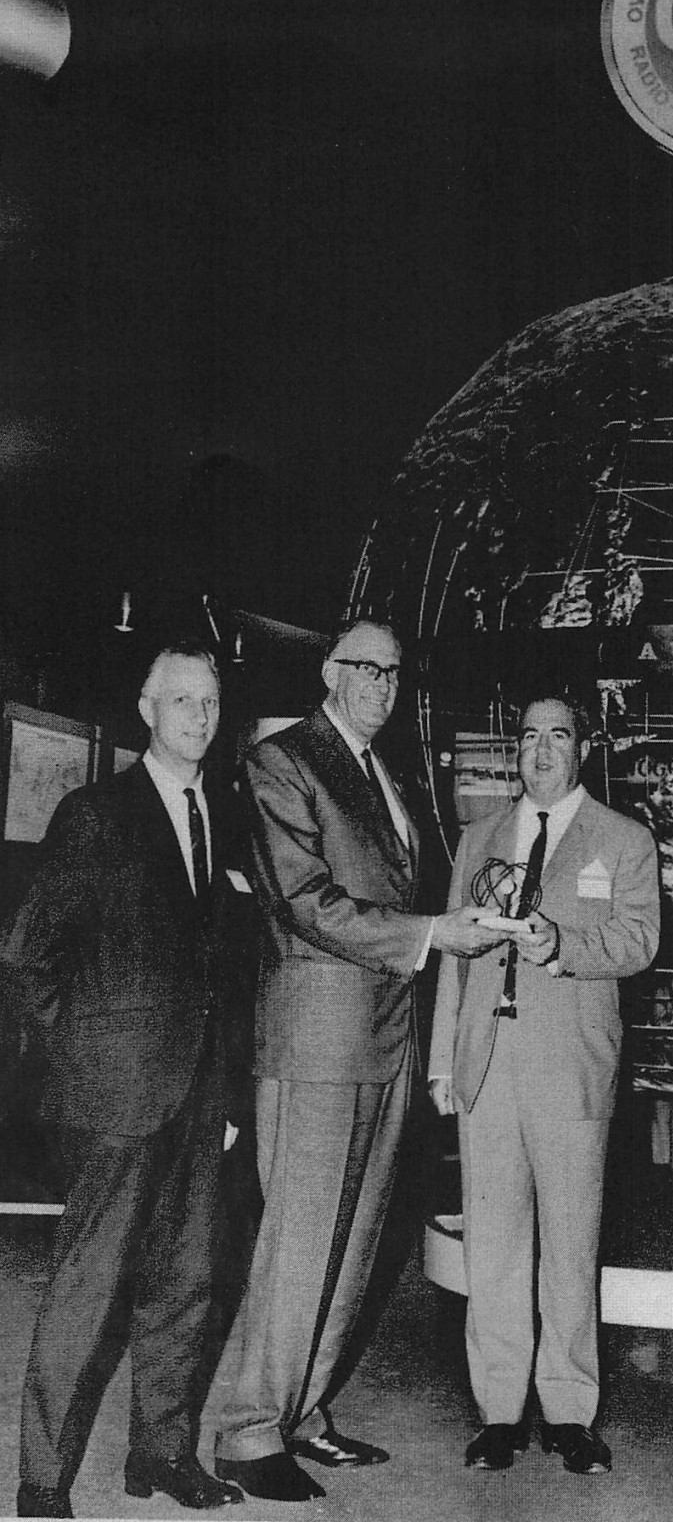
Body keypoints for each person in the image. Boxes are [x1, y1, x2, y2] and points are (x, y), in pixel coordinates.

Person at [214, 621, 504, 1502]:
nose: (384, 685)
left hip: (383, 1036)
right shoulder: (282, 762)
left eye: (394, 672)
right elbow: (304, 901)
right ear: (330, 673)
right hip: (315, 1037)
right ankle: (245, 1430)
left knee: (356, 1241)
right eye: (367, 669)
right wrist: (431, 934)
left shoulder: (385, 772)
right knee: (300, 1240)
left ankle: (301, 1410)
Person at [2, 643, 247, 1519]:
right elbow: (30, 956)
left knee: (187, 1282)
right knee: (87, 1288)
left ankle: (162, 1455)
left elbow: (218, 967)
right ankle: (41, 1481)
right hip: (117, 1100)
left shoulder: (219, 812)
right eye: (182, 701)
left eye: (211, 703)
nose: (200, 718)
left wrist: (224, 1099)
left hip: (200, 1096)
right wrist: (87, 1063)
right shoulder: (97, 812)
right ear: (147, 710)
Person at [428, 691, 660, 1476]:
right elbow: (454, 957)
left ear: (581, 749)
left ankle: (568, 1411)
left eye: (557, 736)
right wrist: (441, 1062)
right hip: (486, 1068)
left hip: (570, 1069)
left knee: (569, 1244)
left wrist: (560, 943)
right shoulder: (479, 838)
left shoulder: (622, 840)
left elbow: (638, 939)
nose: (541, 751)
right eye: (528, 737)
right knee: (492, 1246)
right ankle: (498, 1411)